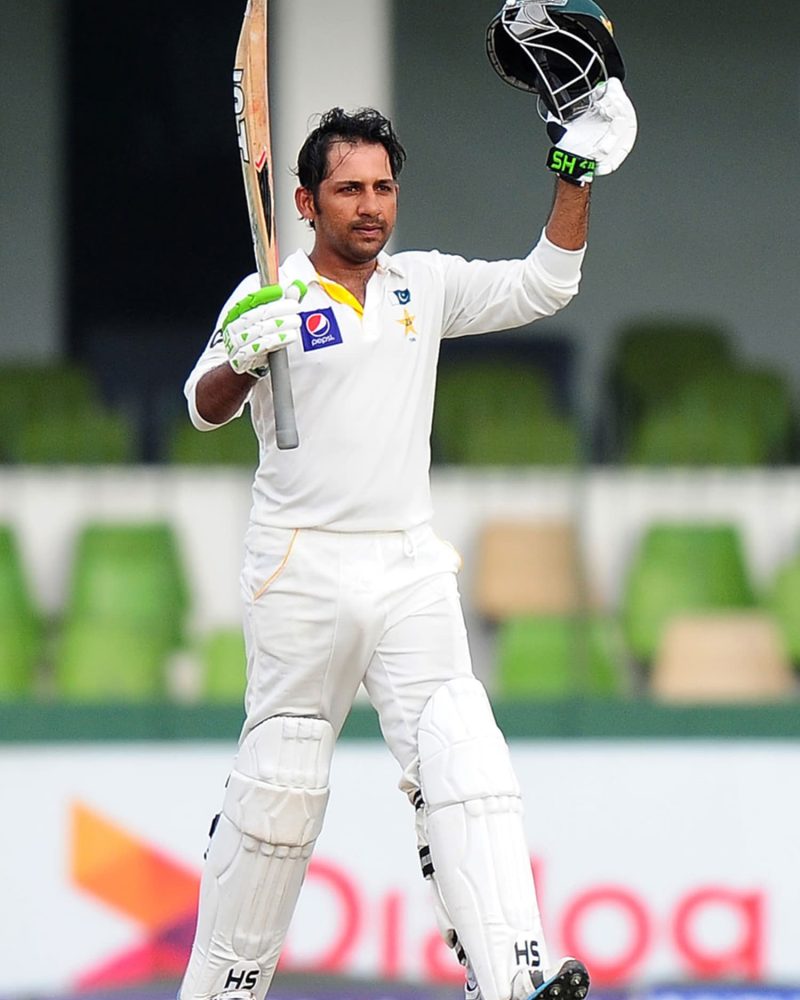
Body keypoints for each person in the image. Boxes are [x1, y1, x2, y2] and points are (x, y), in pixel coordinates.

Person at [178, 16, 636, 1000]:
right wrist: (240, 355)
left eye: (383, 186)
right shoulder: (265, 293)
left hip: (404, 561)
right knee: (283, 785)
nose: (371, 205)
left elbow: (543, 285)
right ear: (304, 200)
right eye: (349, 188)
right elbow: (205, 407)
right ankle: (221, 988)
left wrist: (575, 174)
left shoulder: (418, 287)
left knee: (461, 744)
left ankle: (510, 971)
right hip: (297, 565)